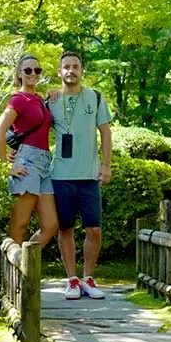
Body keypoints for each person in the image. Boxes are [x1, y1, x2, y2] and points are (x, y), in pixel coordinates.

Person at [46, 50, 113, 300]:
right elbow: (31, 127)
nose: (71, 71)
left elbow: (105, 132)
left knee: (94, 229)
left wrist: (106, 165)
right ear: (59, 71)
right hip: (60, 176)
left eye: (75, 66)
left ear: (81, 71)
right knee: (65, 228)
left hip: (89, 176)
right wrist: (13, 151)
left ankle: (88, 278)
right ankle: (72, 280)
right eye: (66, 67)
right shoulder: (51, 100)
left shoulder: (95, 97)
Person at [0, 54, 59, 247]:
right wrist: (4, 167)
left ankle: (27, 263)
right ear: (19, 74)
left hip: (45, 164)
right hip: (28, 163)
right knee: (19, 225)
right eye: (28, 70)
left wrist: (55, 93)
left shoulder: (39, 99)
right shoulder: (18, 99)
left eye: (37, 70)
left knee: (50, 225)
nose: (33, 73)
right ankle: (15, 266)